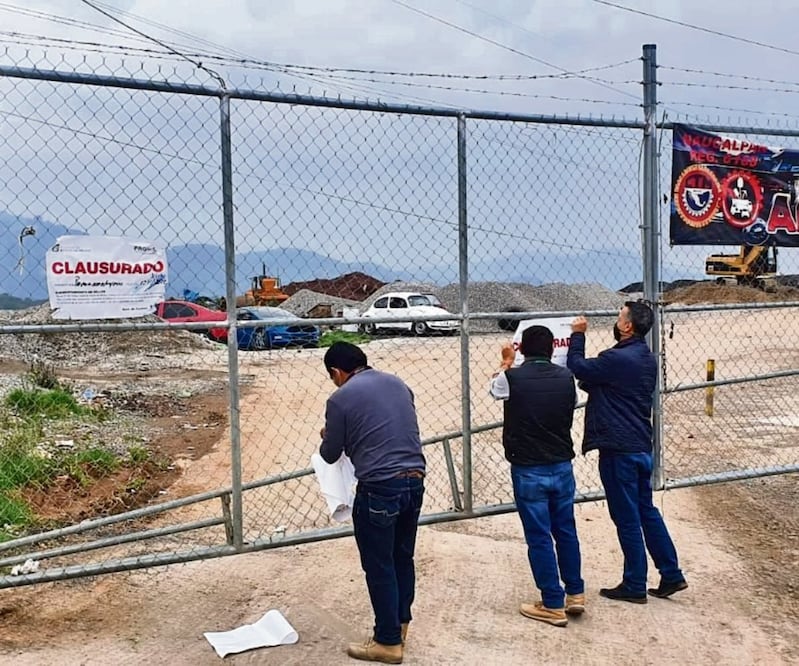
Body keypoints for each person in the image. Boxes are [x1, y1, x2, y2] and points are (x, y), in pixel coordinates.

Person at [567, 301, 688, 604]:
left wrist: (578, 335)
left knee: (627, 517)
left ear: (628, 326)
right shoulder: (646, 358)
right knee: (646, 510)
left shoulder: (616, 358)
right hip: (639, 445)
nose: (616, 320)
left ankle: (634, 582)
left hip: (618, 448)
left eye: (620, 317)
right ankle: (671, 572)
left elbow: (578, 367)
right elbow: (600, 381)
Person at [319, 341, 425, 664]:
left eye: (332, 376)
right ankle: (400, 625)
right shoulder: (398, 383)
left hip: (379, 487)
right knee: (401, 557)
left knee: (379, 564)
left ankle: (387, 641)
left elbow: (329, 454)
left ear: (337, 372)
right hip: (415, 481)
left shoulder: (340, 398)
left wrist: (329, 434)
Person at [490, 326, 584, 627]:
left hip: (528, 466)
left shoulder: (511, 377)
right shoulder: (566, 377)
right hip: (561, 464)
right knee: (566, 530)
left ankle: (552, 602)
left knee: (540, 536)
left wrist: (506, 362)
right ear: (551, 349)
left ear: (522, 349)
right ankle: (575, 593)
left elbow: (494, 390)